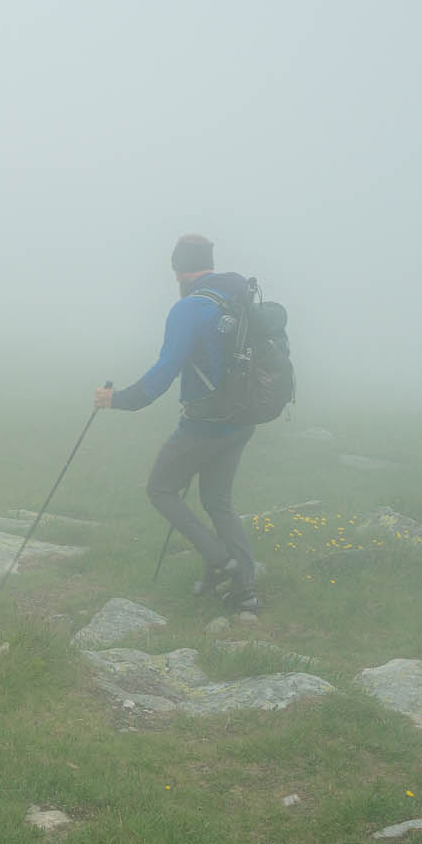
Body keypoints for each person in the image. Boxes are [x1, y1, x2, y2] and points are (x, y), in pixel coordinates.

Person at [92, 234, 260, 612]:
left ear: (179, 271)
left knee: (161, 488)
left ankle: (220, 562)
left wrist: (116, 399)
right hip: (243, 419)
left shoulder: (189, 309)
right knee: (218, 500)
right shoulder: (238, 297)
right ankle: (245, 591)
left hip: (205, 424)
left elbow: (162, 375)